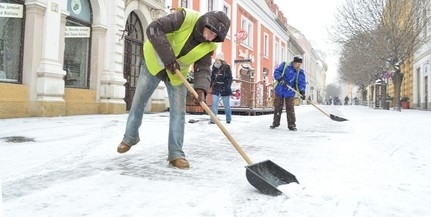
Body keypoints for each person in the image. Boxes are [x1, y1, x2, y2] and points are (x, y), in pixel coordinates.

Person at [117, 8, 230, 169]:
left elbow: (203, 68)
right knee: (139, 101)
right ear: (206, 23)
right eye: (210, 32)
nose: (211, 38)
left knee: (178, 112)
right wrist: (168, 59)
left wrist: (201, 90)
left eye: (215, 37)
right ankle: (130, 137)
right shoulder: (185, 18)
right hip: (154, 62)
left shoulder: (209, 45)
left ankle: (176, 153)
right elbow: (154, 28)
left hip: (177, 74)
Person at [270, 56, 306, 131]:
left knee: (290, 108)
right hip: (280, 89)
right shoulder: (285, 65)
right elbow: (276, 72)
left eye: (300, 64)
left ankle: (291, 125)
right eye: (298, 64)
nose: (299, 66)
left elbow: (301, 82)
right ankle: (275, 123)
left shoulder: (300, 71)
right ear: (294, 62)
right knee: (278, 106)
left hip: (290, 91)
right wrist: (280, 79)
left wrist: (302, 91)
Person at [209, 53, 233, 124]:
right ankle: (213, 119)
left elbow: (229, 78)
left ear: (221, 60)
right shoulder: (214, 67)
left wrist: (227, 86)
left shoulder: (227, 67)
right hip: (216, 88)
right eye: (216, 60)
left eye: (218, 60)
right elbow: (212, 77)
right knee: (214, 104)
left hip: (225, 88)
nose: (217, 61)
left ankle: (228, 119)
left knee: (226, 105)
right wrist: (210, 85)